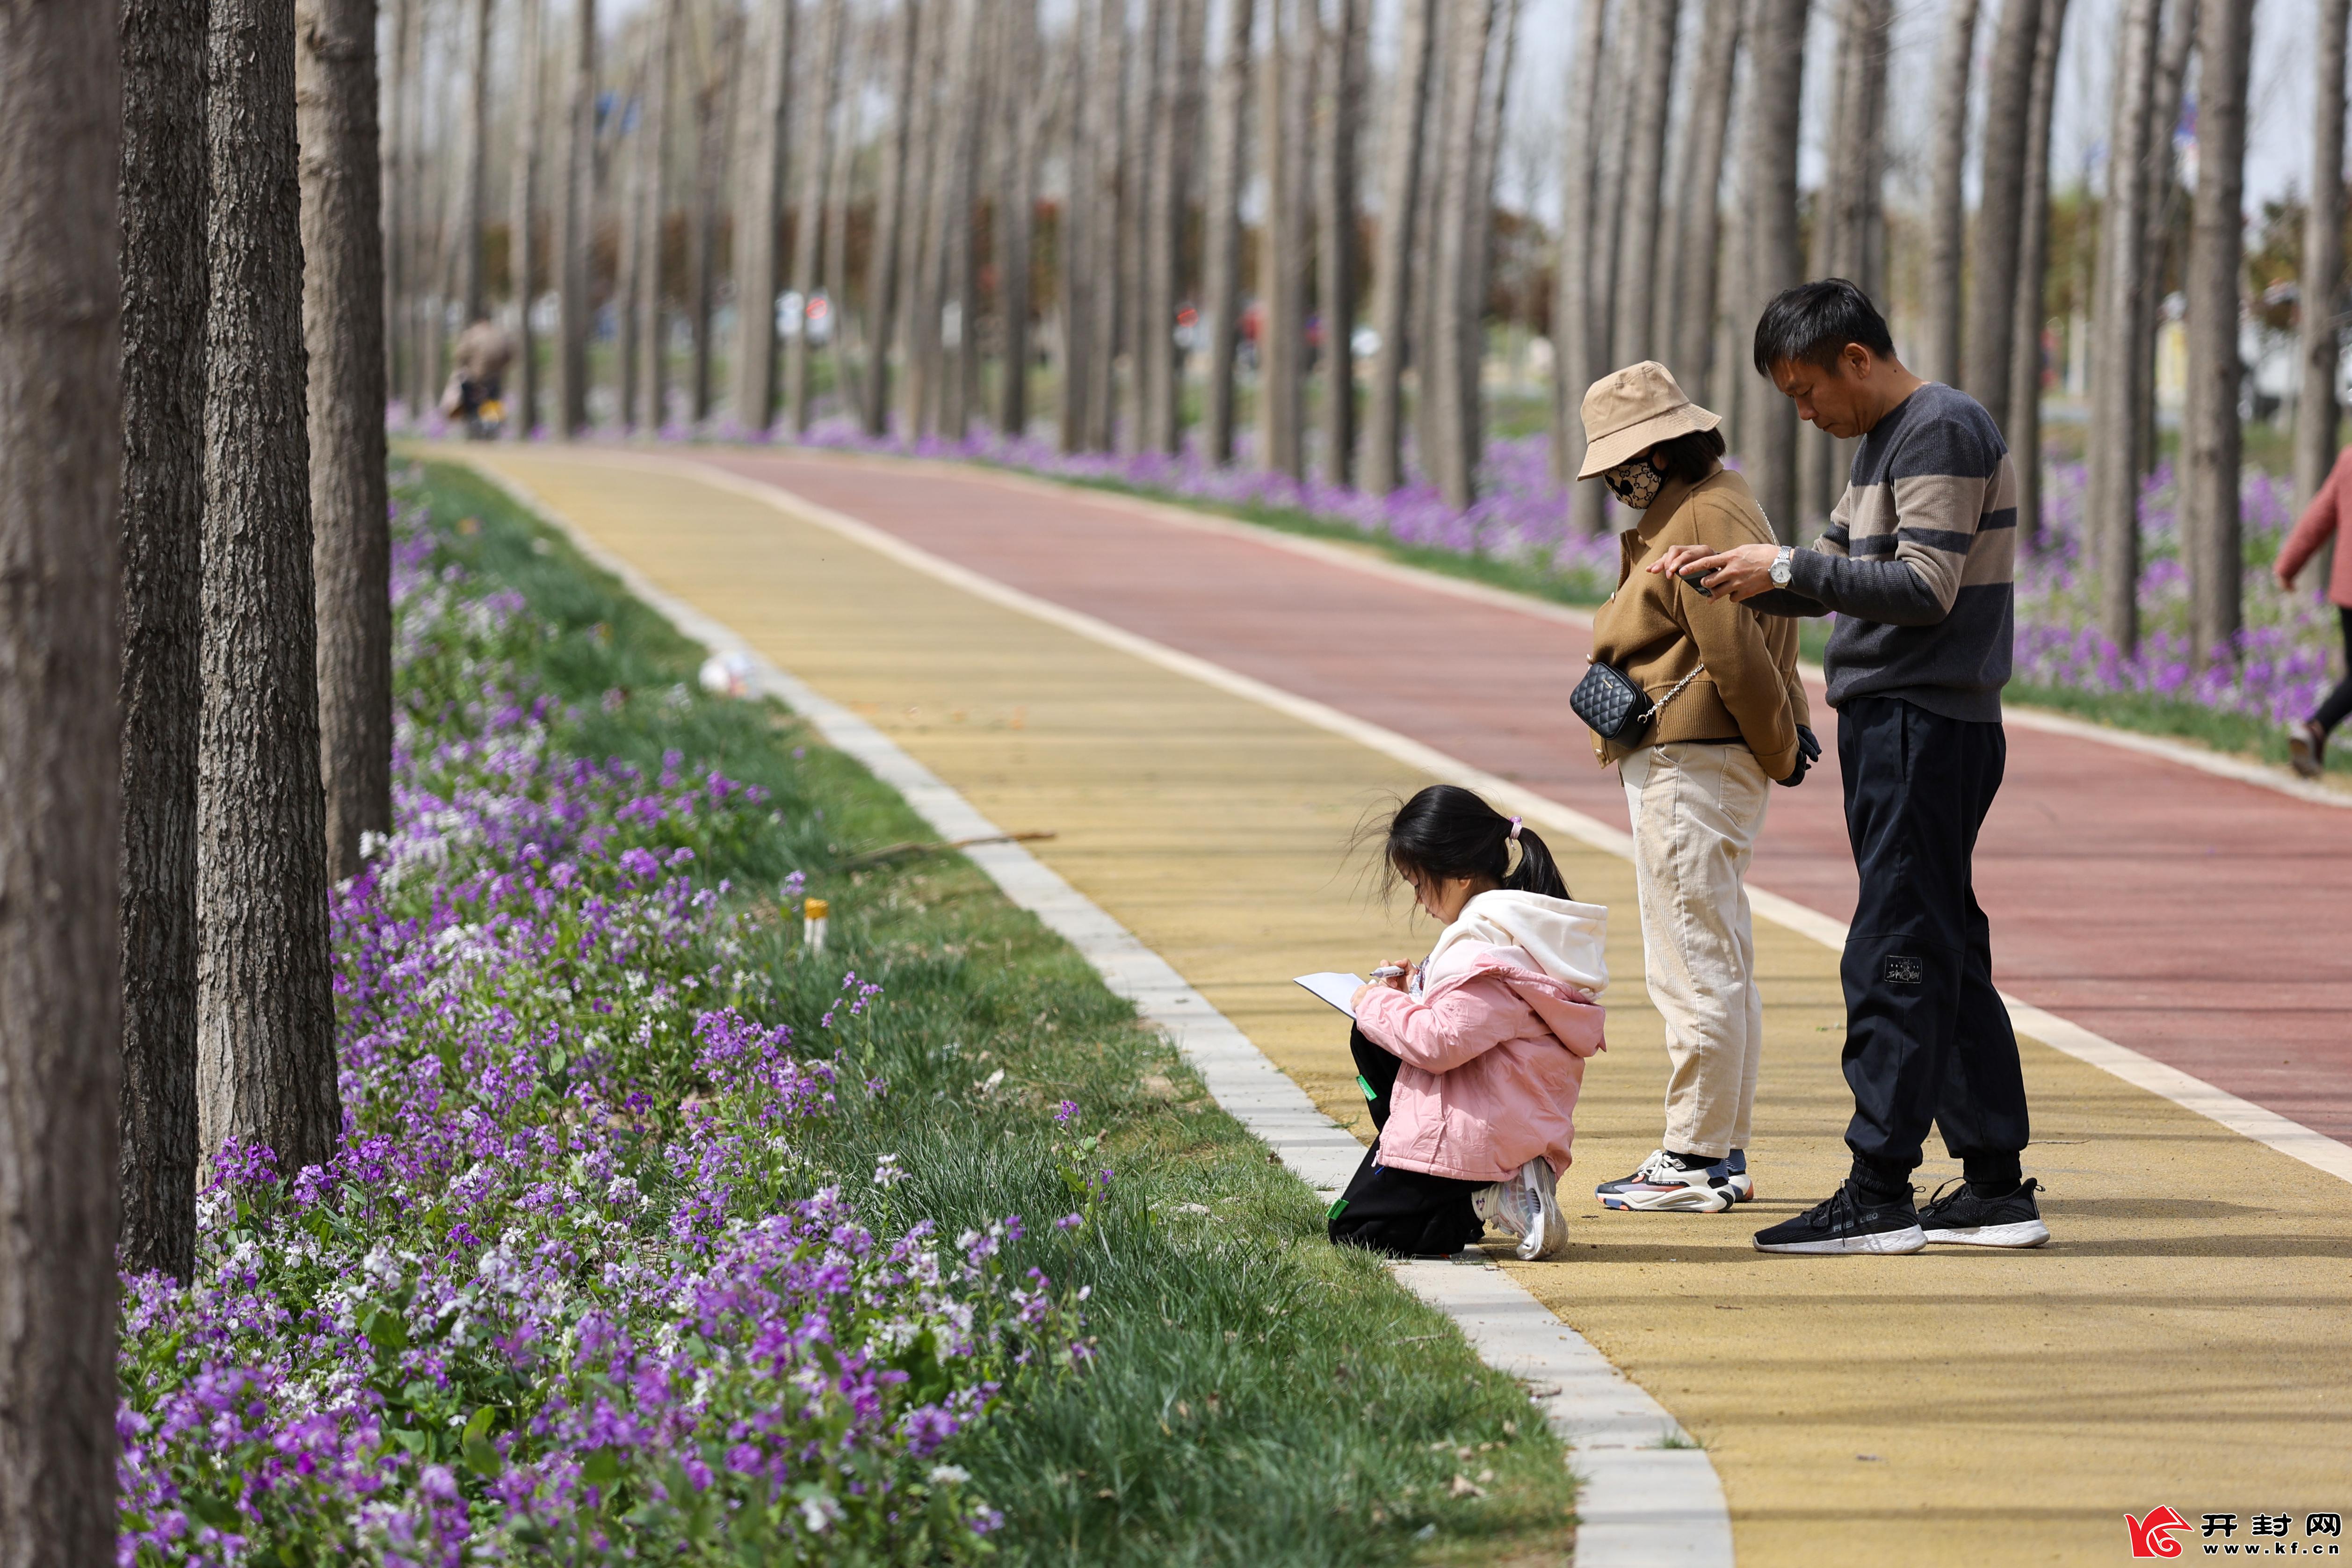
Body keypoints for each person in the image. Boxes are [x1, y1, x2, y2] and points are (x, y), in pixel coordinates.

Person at [1653, 279, 2050, 1256]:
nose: (1805, 412)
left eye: (1805, 390)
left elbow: (1923, 585)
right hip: (1903, 721)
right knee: (1941, 945)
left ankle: (1879, 1186)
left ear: (1856, 360)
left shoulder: (1938, 429)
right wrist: (1737, 573)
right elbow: (1834, 567)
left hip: (1924, 720)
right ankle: (1995, 1182)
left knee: (1894, 951)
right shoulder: (1884, 440)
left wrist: (1786, 567)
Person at [1572, 361, 1817, 1214]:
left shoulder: (1703, 512)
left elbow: (1737, 653)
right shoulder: (1701, 502)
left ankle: (1691, 1156)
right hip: (1699, 757)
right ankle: (1718, 1150)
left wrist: (1779, 744)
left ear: (1662, 447)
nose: (1613, 477)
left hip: (1694, 758)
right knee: (1715, 953)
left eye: (1622, 459)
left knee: (1689, 957)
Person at [1327, 786, 1608, 1263]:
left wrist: (1370, 1000)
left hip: (1481, 1128)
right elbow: (1471, 1019)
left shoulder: (1483, 949)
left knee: (1356, 1229)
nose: (1418, 900)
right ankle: (1471, 1192)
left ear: (1459, 874)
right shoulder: (1516, 928)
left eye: (1418, 884)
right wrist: (1412, 991)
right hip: (1502, 1110)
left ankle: (1494, 1190)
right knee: (1376, 1029)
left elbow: (1441, 1042)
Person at [2277, 447, 2352, 779]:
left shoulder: (2350, 459)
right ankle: (2315, 729)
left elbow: (2319, 516)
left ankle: (2315, 733)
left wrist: (2288, 565)